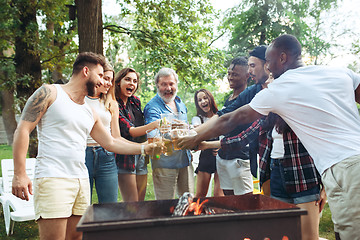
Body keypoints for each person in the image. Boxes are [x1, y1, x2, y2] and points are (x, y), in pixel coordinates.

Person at [178, 34, 360, 240]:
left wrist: (193, 137)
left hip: (344, 168)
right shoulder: (338, 72)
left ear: (282, 58)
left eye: (269, 61)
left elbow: (232, 119)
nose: (268, 68)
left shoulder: (281, 88)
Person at [11, 52, 156, 240]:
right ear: (86, 71)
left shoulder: (89, 111)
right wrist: (19, 174)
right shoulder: (49, 92)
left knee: (76, 238)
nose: (103, 82)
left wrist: (145, 148)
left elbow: (111, 142)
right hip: (53, 178)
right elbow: (22, 130)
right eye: (100, 76)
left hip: (80, 180)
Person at [200, 112, 326, 240]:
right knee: (282, 234)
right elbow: (241, 139)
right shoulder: (267, 116)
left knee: (307, 236)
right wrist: (205, 144)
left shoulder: (301, 111)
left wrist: (325, 188)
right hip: (276, 176)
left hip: (304, 177)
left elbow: (323, 146)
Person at [192, 47, 269, 180]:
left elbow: (243, 135)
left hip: (243, 159)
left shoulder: (263, 94)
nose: (230, 77)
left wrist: (196, 138)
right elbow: (223, 116)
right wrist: (193, 135)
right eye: (229, 73)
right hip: (233, 156)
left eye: (252, 66)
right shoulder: (246, 93)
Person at [144, 67, 194, 200]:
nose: (168, 88)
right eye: (164, 84)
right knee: (165, 205)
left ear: (176, 84)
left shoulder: (180, 103)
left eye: (171, 84)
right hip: (165, 164)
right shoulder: (152, 107)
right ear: (157, 85)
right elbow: (153, 134)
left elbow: (185, 127)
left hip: (185, 161)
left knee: (189, 202)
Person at [115, 67, 160, 202]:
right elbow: (131, 130)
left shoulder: (135, 101)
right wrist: (155, 124)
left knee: (141, 201)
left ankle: (140, 223)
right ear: (118, 82)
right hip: (124, 155)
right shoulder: (113, 104)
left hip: (141, 153)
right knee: (131, 203)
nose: (132, 84)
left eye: (135, 81)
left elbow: (141, 125)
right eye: (127, 79)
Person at [84, 61, 119, 203]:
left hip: (106, 157)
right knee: (82, 206)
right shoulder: (80, 100)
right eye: (105, 78)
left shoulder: (111, 103)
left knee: (110, 206)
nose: (109, 83)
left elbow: (116, 137)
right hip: (83, 154)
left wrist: (142, 148)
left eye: (111, 80)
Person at [191, 89, 223, 197]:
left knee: (219, 195)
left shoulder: (221, 116)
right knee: (200, 195)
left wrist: (220, 147)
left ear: (211, 98)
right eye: (199, 100)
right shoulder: (197, 119)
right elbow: (196, 131)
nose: (203, 101)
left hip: (220, 157)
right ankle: (197, 213)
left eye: (205, 98)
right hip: (206, 157)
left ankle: (217, 213)